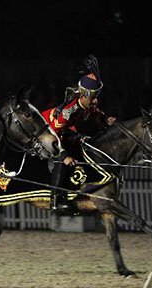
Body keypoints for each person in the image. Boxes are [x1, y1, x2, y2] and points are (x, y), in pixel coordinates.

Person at [41, 55, 116, 213]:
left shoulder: (88, 104)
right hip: (45, 130)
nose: (95, 101)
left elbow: (96, 113)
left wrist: (105, 119)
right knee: (63, 161)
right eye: (92, 98)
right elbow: (53, 134)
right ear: (82, 96)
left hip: (65, 131)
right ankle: (55, 200)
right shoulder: (69, 111)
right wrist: (63, 156)